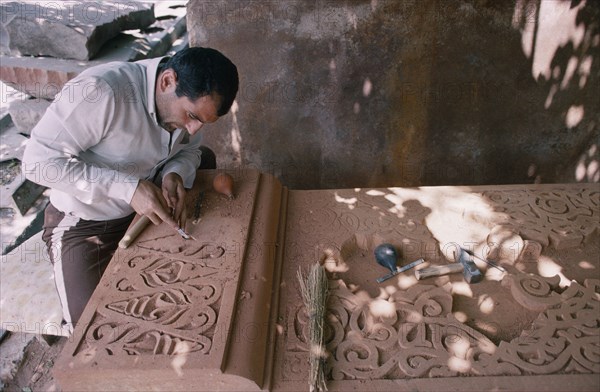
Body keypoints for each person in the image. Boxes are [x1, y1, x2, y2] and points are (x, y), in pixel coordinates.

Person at [22, 47, 239, 332]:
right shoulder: (101, 91)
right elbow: (37, 163)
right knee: (92, 328)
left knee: (204, 159)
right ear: (167, 82)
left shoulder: (185, 109)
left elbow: (191, 149)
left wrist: (174, 173)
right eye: (190, 116)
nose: (193, 128)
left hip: (148, 197)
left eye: (202, 122)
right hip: (87, 220)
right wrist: (129, 188)